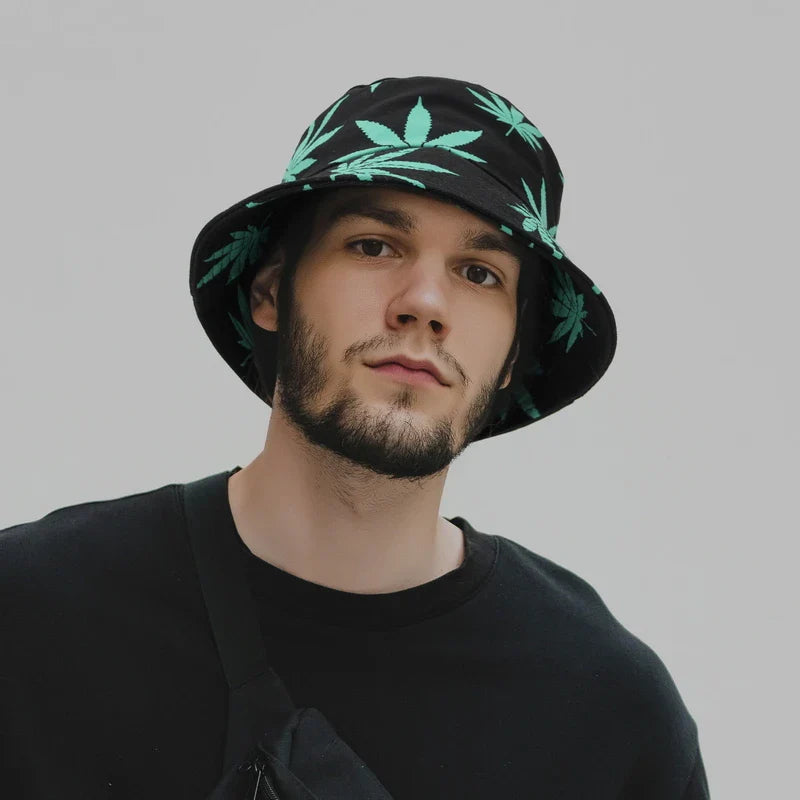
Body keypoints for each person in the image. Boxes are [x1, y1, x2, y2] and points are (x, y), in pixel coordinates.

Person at [0, 76, 710, 798]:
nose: (424, 304)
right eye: (374, 245)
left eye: (478, 273)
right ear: (271, 292)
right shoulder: (32, 619)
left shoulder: (607, 715)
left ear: (512, 358)